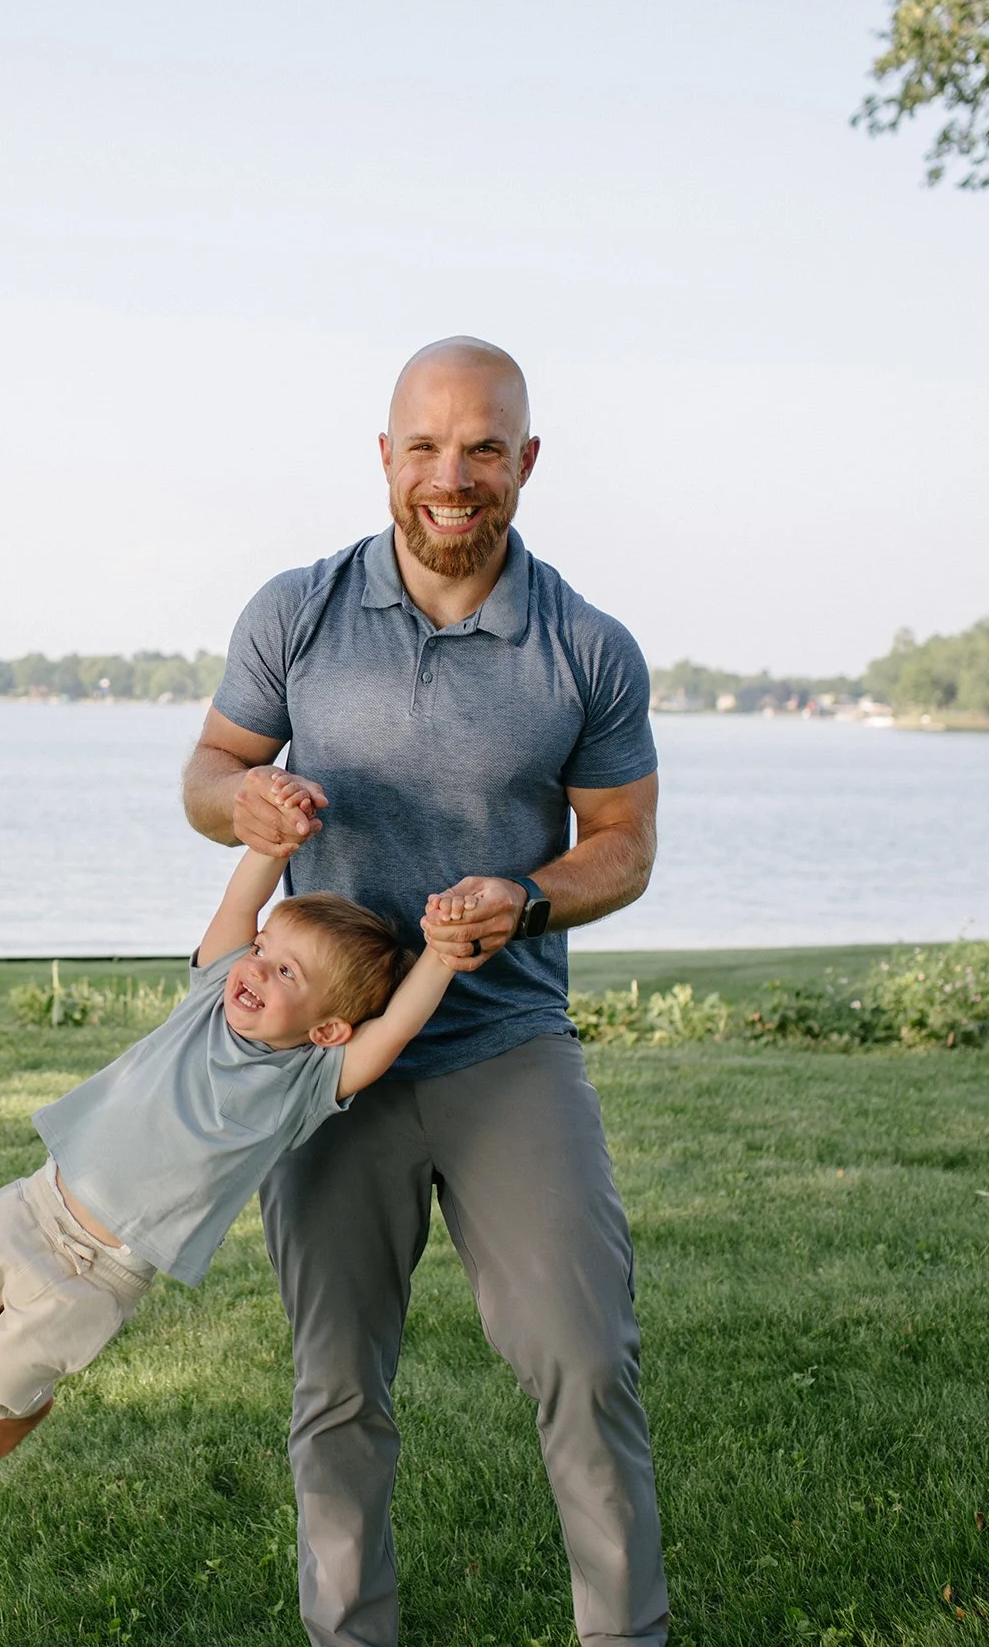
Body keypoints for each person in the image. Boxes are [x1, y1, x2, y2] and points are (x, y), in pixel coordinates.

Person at [183, 338, 670, 1647]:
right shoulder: (298, 609)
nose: (452, 476)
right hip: (327, 1055)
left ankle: (627, 1632)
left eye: (484, 447)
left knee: (581, 1352)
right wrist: (250, 800)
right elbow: (209, 770)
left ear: (526, 459)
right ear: (385, 454)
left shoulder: (587, 644)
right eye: (426, 446)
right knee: (335, 1379)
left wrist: (536, 895)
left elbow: (623, 840)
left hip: (505, 1042)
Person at [0, 831, 469, 1495]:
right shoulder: (211, 997)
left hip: (102, 1274)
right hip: (35, 1205)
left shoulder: (307, 1084)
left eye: (287, 972)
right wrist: (270, 845)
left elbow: (396, 1028)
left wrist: (440, 956)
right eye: (264, 949)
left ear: (327, 1030)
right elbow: (241, 902)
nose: (257, 968)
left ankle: (22, 1404)